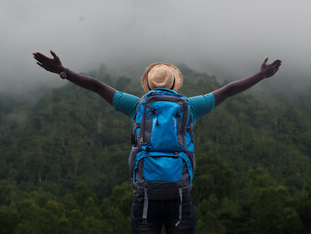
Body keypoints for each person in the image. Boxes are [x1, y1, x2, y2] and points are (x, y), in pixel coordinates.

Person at [32, 50, 282, 234]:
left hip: (145, 196)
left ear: (148, 85)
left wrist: (62, 71)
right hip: (180, 196)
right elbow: (228, 90)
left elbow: (97, 86)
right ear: (175, 83)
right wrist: (261, 75)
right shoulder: (190, 107)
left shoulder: (137, 106)